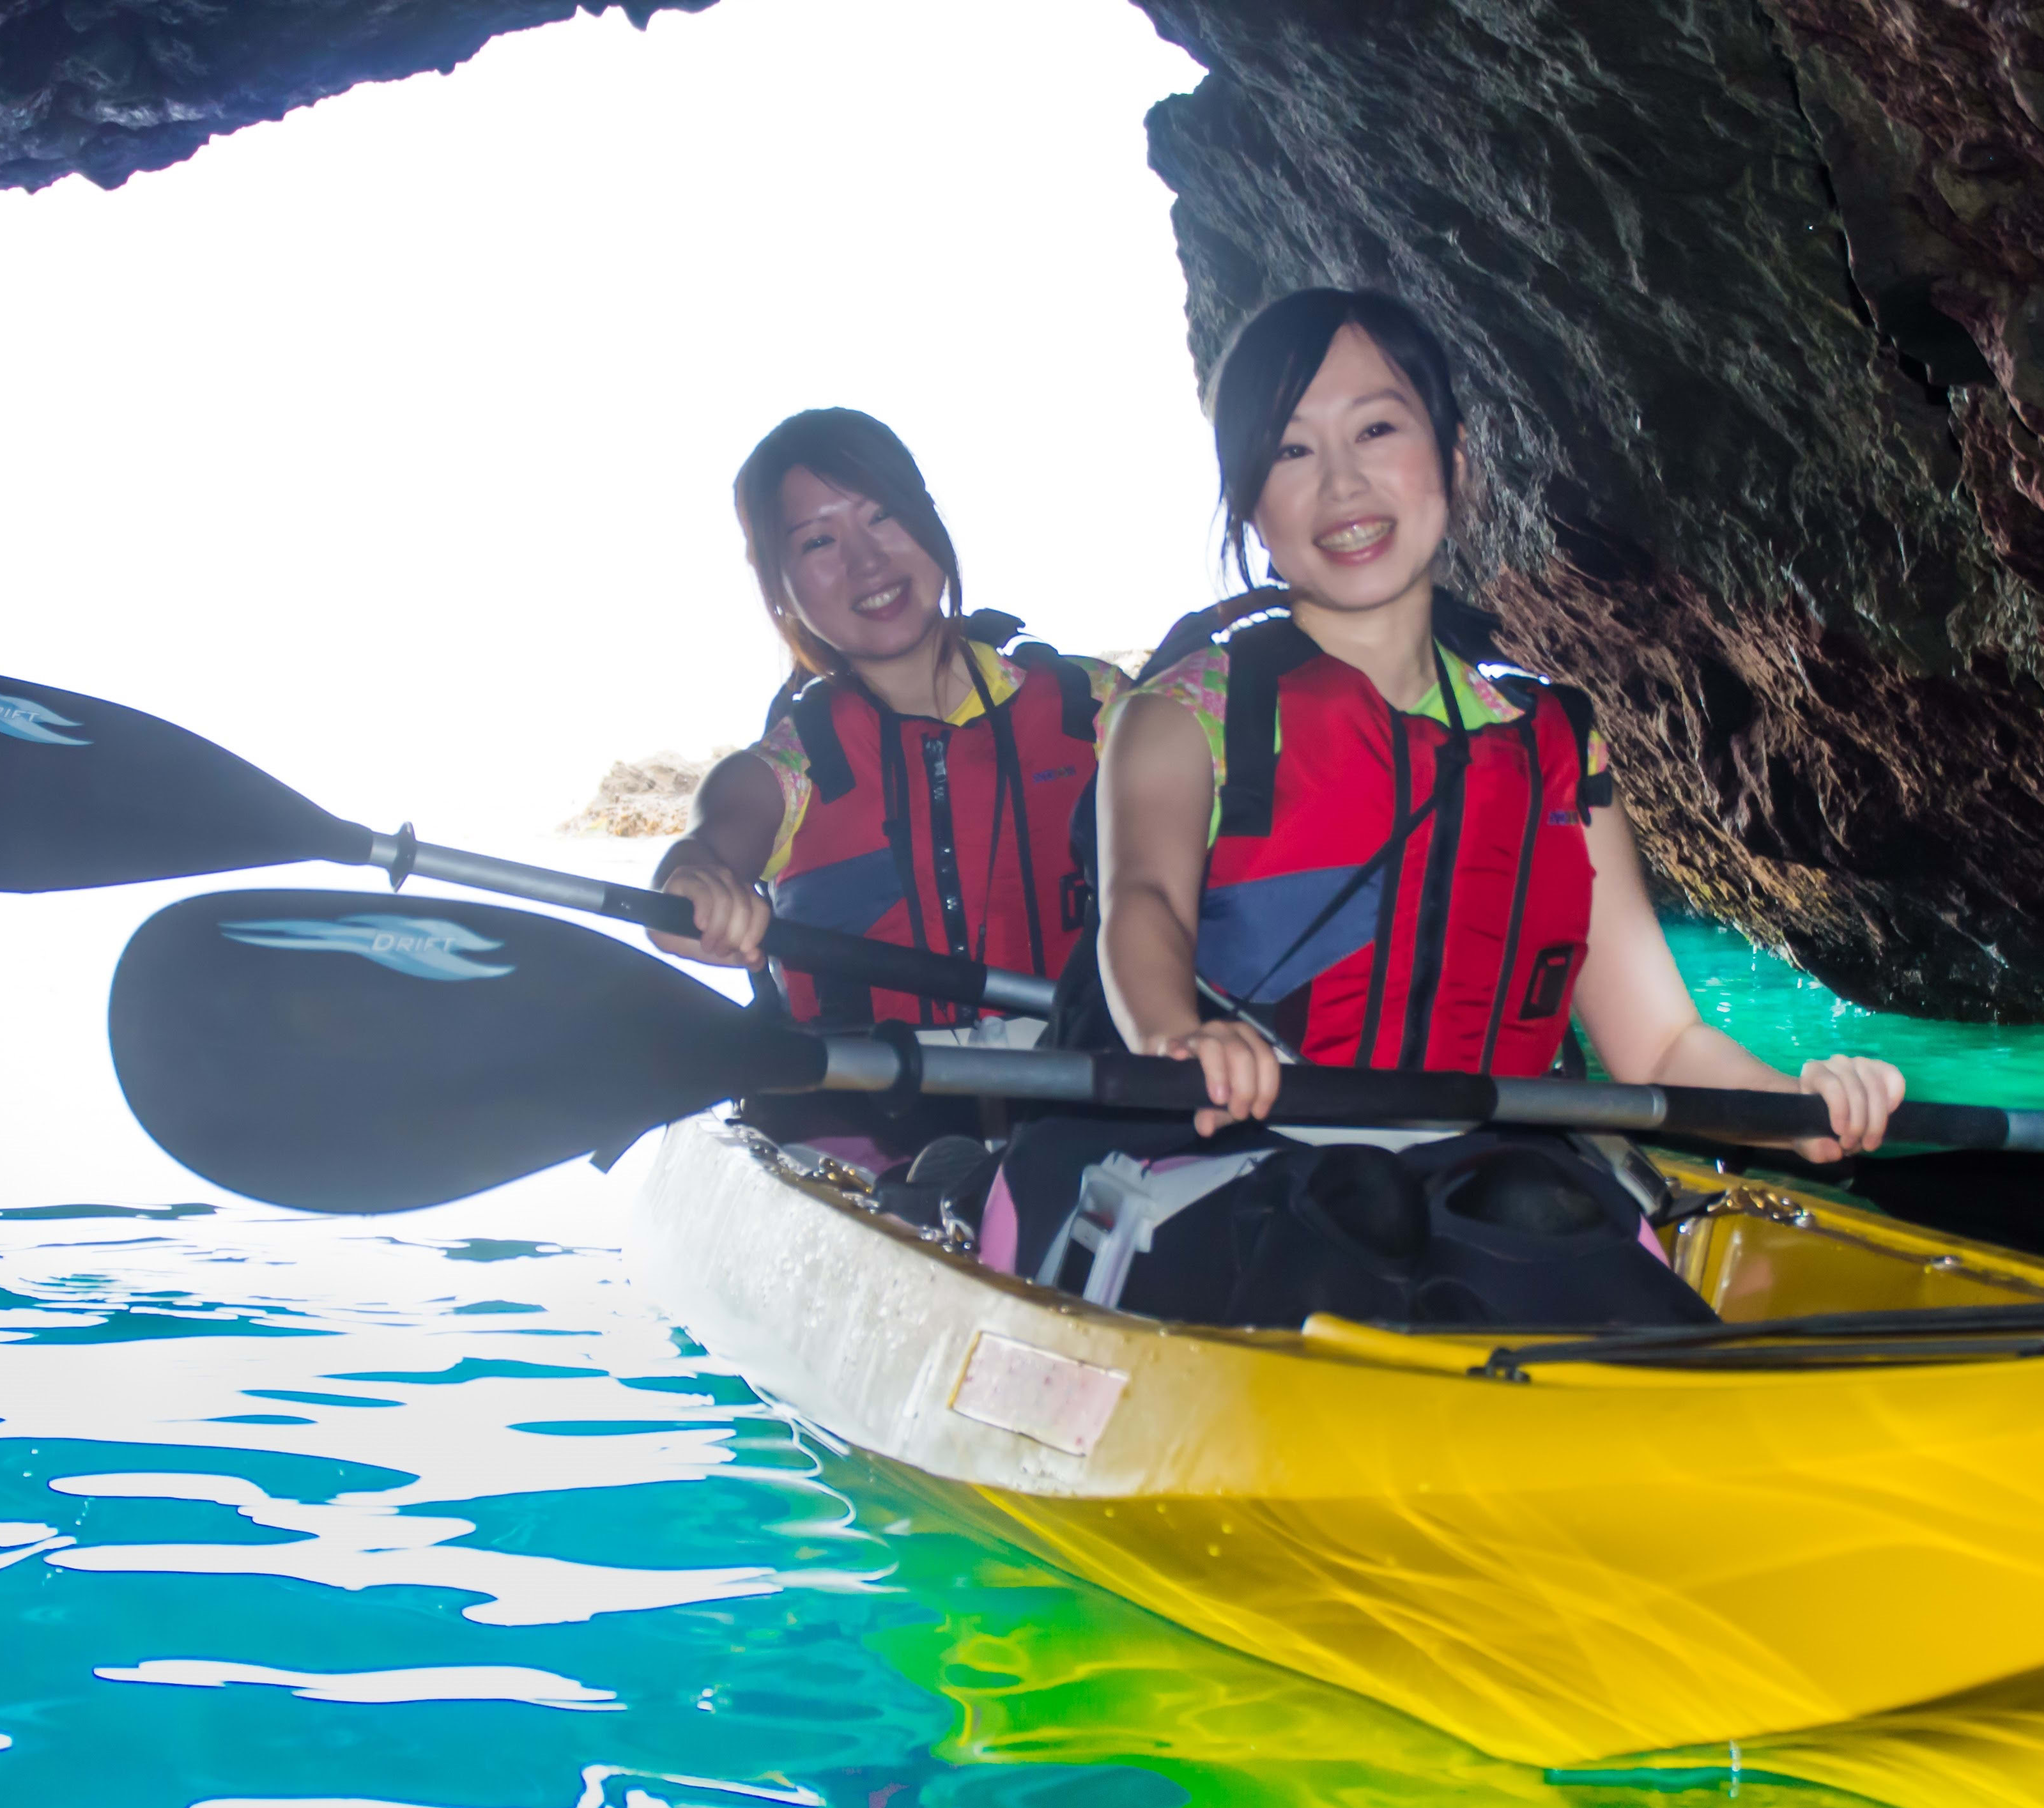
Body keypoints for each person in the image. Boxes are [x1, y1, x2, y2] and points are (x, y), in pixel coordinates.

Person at [994, 287, 1904, 1327]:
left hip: (1484, 1171)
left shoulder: (1554, 744)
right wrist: (1179, 1032)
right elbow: (1142, 904)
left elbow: (1656, 1048)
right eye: (1291, 452)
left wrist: (1794, 1108)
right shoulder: (1181, 714)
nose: (1342, 482)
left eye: (1377, 428)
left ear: (1456, 463)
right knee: (1355, 1210)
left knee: (1536, 1202)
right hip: (1233, 1163)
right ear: (1249, 502)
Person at [652, 408, 1124, 1032]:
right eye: (817, 541)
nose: (866, 560)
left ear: (928, 517)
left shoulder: (1101, 708)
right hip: (870, 1117)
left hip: (1089, 1102)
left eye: (883, 515)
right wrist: (694, 883)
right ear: (776, 587)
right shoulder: (786, 768)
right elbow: (706, 846)